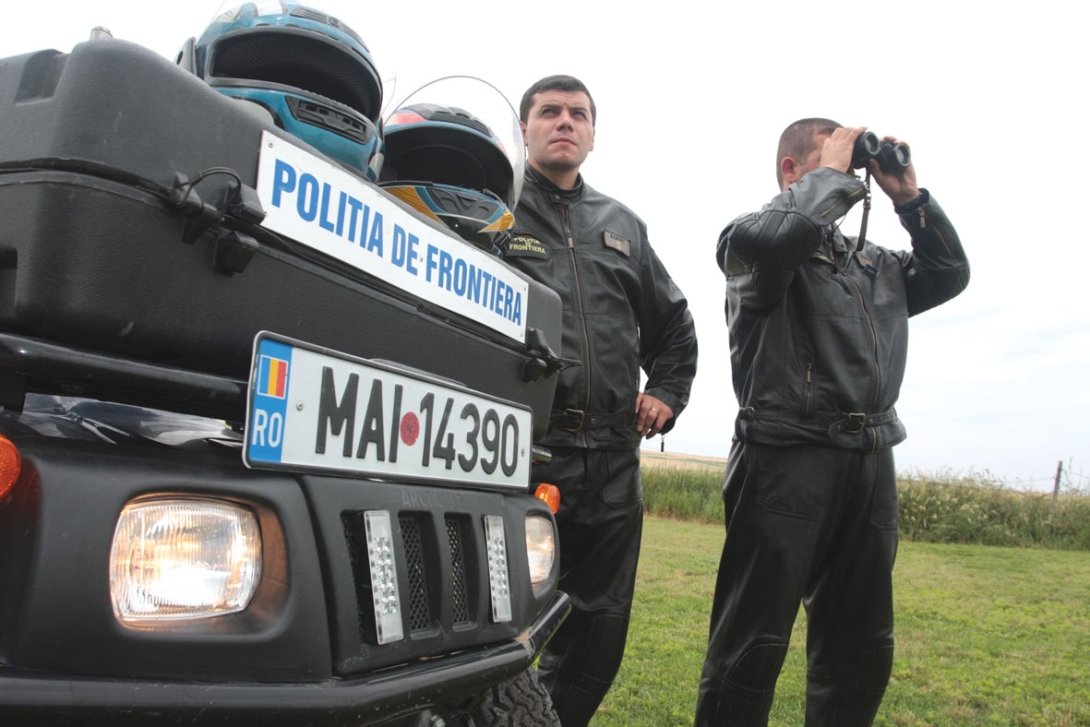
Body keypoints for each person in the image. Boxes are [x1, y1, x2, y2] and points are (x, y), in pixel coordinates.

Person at [694, 119, 969, 727]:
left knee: (861, 644)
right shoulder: (752, 247)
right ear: (796, 173)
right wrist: (832, 178)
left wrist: (909, 198)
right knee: (751, 642)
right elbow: (773, 241)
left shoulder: (874, 263)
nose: (852, 178)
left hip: (871, 461)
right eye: (835, 164)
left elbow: (949, 272)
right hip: (785, 457)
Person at [502, 75, 698, 726]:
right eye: (550, 111)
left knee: (598, 639)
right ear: (524, 127)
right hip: (521, 455)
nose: (565, 122)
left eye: (578, 114)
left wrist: (666, 390)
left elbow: (672, 325)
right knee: (497, 626)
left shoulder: (622, 226)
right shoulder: (493, 208)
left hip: (614, 463)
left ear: (592, 133)